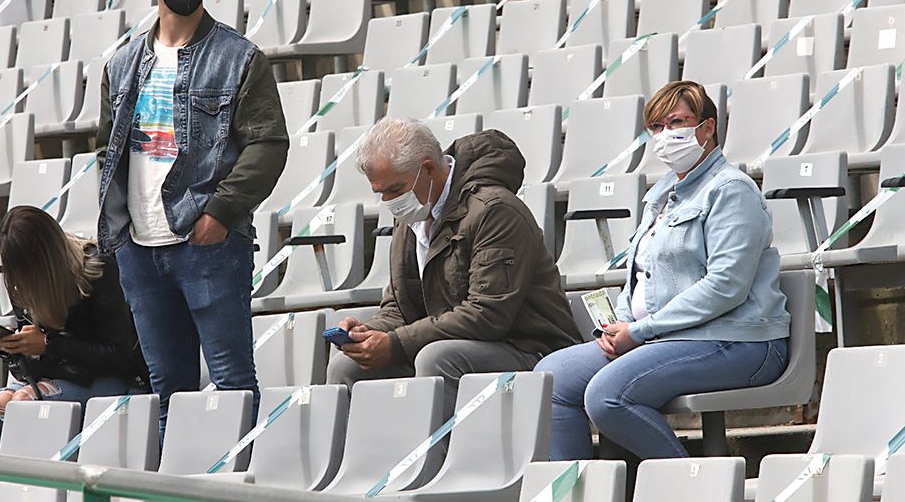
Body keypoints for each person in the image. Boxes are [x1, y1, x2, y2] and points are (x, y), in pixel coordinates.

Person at [96, 0, 289, 436]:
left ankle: (237, 486)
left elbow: (268, 146)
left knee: (232, 385)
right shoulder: (120, 65)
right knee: (167, 392)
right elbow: (107, 148)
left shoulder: (240, 58)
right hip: (138, 248)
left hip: (207, 244)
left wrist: (219, 213)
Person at [537, 81, 791, 461]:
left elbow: (726, 287)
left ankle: (692, 487)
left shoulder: (731, 190)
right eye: (656, 127)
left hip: (738, 340)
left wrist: (639, 332)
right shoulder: (661, 195)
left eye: (676, 122)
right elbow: (639, 276)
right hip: (664, 337)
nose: (665, 135)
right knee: (552, 377)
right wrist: (619, 327)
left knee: (607, 395)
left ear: (707, 128)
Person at [327, 117, 578, 411]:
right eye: (380, 192)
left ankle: (439, 457)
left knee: (437, 358)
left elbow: (487, 314)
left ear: (429, 168)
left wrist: (396, 344)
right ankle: (374, 457)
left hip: (527, 347)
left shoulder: (495, 211)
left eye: (395, 189)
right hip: (451, 341)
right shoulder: (412, 216)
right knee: (346, 366)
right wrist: (368, 334)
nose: (388, 201)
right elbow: (399, 306)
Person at [0, 206, 150, 420]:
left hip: (109, 377)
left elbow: (121, 357)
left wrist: (49, 344)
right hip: (58, 373)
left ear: (42, 261)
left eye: (20, 269)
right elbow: (30, 371)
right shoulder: (21, 285)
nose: (15, 279)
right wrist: (16, 350)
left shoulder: (98, 271)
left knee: (24, 402)